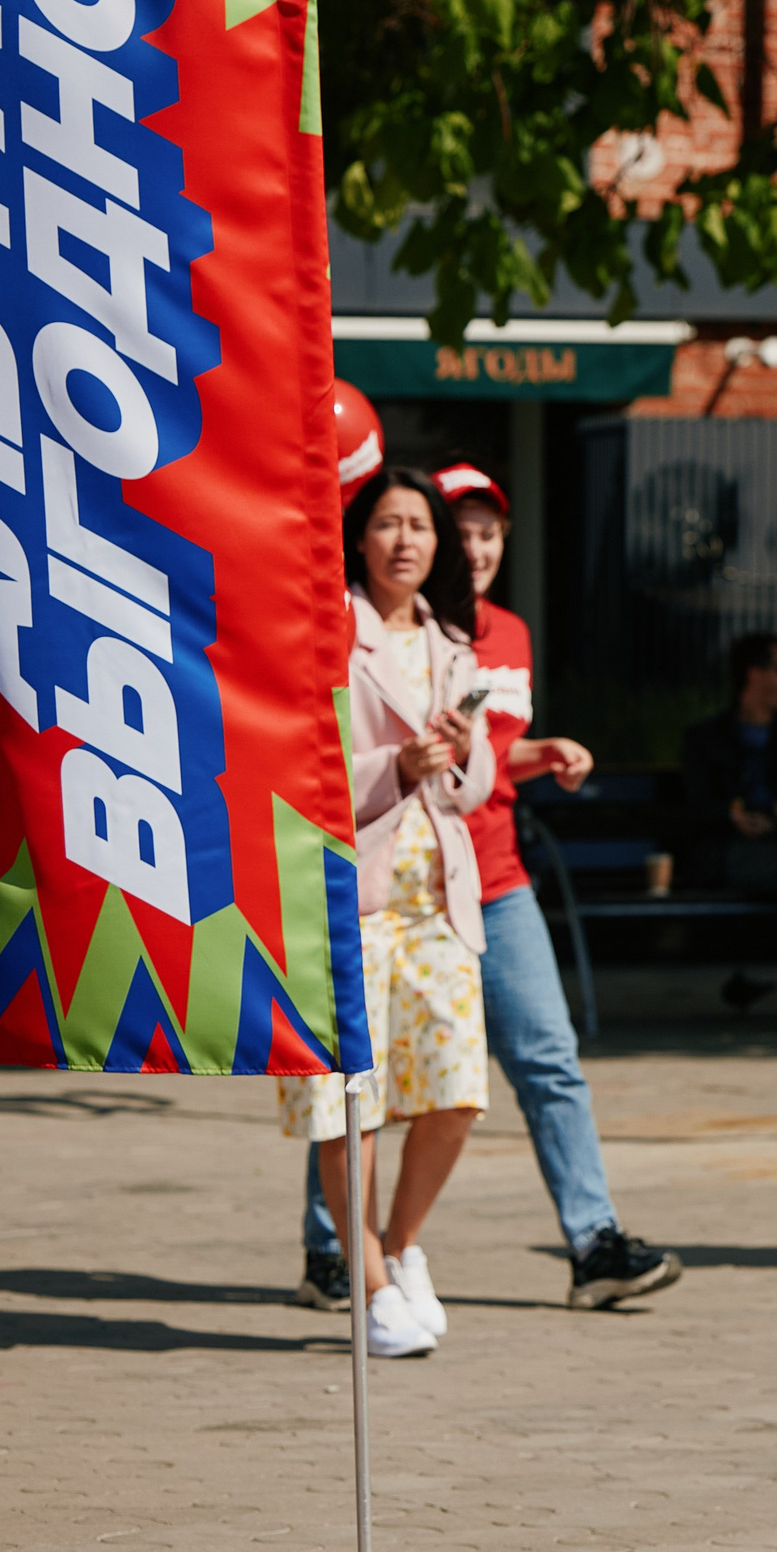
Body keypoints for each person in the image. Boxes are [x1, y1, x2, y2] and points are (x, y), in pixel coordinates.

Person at [294, 465, 683, 1312]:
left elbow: (482, 765)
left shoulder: (491, 636)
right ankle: (338, 1254)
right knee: (353, 1082)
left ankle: (589, 1240)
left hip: (482, 878)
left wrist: (537, 753)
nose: (465, 547)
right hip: (373, 880)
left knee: (521, 1065)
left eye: (482, 534)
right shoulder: (346, 627)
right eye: (449, 528)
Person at [281, 467, 496, 1359]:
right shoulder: (329, 633)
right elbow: (304, 768)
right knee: (351, 1106)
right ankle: (367, 1279)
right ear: (357, 538)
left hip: (435, 904)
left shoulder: (454, 643)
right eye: (387, 523)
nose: (405, 539)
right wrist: (394, 769)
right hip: (347, 905)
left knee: (456, 1093)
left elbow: (473, 788)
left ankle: (402, 1244)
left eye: (420, 526)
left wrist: (451, 757)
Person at [679, 633, 777, 1027]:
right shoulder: (705, 738)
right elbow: (694, 807)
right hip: (731, 854)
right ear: (754, 675)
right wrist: (737, 816)